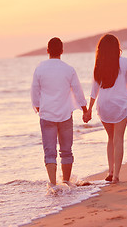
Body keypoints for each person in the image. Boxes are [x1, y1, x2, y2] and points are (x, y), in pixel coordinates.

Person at [83, 34, 127, 184]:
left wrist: (89, 109)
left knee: (110, 138)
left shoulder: (98, 65)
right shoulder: (126, 63)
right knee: (118, 139)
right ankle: (116, 176)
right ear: (117, 48)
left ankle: (110, 171)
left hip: (103, 106)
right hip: (120, 104)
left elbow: (93, 90)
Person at [31, 37, 87, 190]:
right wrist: (85, 109)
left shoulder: (40, 68)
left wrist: (37, 106)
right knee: (66, 150)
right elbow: (78, 91)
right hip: (65, 114)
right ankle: (67, 183)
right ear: (62, 51)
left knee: (49, 151)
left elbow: (35, 90)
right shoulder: (68, 69)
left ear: (47, 50)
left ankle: (54, 185)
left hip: (46, 114)